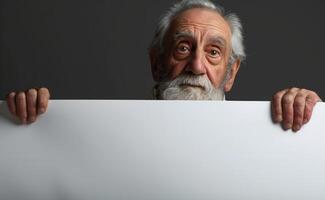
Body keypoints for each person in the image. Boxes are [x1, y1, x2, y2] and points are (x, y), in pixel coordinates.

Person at [5, 0, 322, 132]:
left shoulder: (267, 136)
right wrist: (23, 124)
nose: (196, 66)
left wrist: (314, 124)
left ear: (231, 73)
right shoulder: (106, 132)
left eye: (213, 53)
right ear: (156, 63)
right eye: (183, 47)